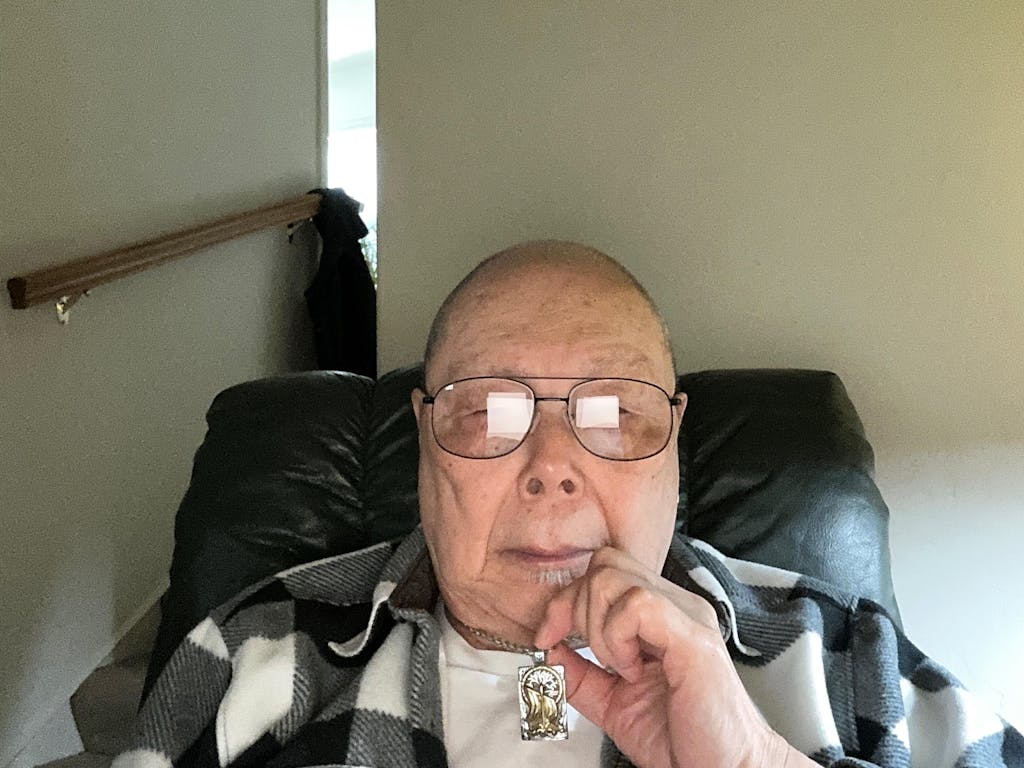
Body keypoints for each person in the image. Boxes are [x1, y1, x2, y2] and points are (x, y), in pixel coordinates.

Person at [115, 242, 1022, 768]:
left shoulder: (850, 663)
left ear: (674, 444)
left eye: (615, 415)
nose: (552, 468)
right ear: (423, 440)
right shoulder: (252, 653)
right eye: (488, 412)